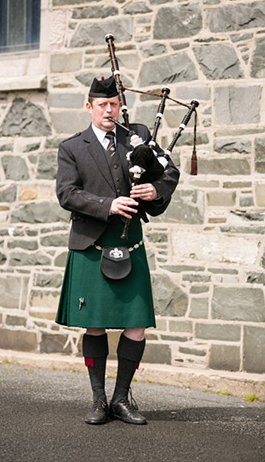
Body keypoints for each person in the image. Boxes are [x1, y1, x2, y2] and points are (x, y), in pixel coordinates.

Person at [55, 76, 180, 425]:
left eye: (113, 104)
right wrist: (108, 205)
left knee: (136, 324)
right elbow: (67, 194)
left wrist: (156, 190)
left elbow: (170, 171)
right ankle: (98, 401)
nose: (109, 110)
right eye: (101, 105)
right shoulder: (72, 147)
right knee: (94, 326)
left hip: (130, 242)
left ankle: (122, 399)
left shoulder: (137, 138)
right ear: (89, 106)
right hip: (91, 245)